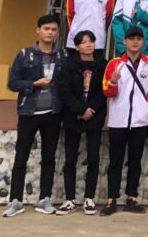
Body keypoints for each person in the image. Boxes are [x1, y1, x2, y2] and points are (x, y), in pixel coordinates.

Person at [3, 14, 65, 218]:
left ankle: (44, 199)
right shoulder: (25, 55)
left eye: (54, 30)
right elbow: (12, 83)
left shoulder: (61, 56)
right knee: (21, 156)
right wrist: (33, 84)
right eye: (46, 29)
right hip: (29, 112)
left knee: (49, 158)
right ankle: (15, 200)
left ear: (57, 33)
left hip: (53, 113)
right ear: (38, 30)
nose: (50, 33)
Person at [101, 26, 148, 216]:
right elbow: (107, 92)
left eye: (138, 38)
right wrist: (113, 81)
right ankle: (111, 199)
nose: (135, 42)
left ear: (143, 42)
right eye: (131, 38)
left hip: (139, 121)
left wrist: (147, 107)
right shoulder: (114, 64)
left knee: (135, 161)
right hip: (118, 120)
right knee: (115, 161)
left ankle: (132, 197)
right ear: (124, 41)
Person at [59, 29, 106, 216]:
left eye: (91, 41)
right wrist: (80, 110)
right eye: (83, 42)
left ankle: (89, 198)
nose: (88, 45)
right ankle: (69, 199)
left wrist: (91, 109)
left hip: (94, 116)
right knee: (70, 158)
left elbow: (104, 90)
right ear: (77, 46)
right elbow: (65, 90)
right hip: (73, 116)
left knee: (93, 158)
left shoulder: (102, 64)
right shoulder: (68, 65)